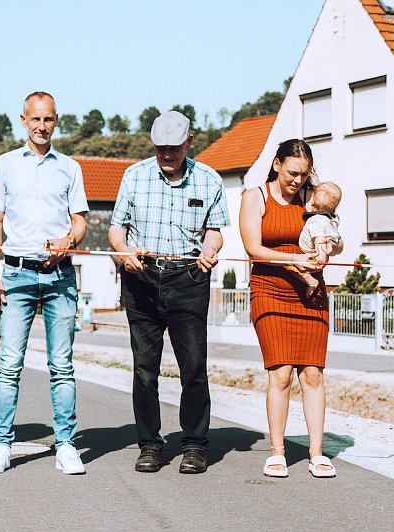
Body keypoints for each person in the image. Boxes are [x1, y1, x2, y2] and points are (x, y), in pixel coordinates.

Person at [108, 110, 229, 474]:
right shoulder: (134, 176)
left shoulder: (209, 180)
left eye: (174, 149)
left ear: (190, 142)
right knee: (145, 369)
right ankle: (149, 444)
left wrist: (211, 249)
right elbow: (117, 230)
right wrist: (124, 252)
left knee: (193, 367)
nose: (167, 155)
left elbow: (216, 230)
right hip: (142, 279)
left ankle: (194, 444)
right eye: (161, 148)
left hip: (188, 279)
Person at [0, 91, 89, 475]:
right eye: (35, 119)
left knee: (62, 365)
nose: (42, 126)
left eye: (49, 120)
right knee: (9, 364)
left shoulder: (70, 167)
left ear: (56, 121)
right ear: (23, 120)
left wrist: (69, 240)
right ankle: (1, 444)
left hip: (60, 275)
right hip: (16, 273)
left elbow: (80, 220)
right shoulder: (5, 165)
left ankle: (66, 445)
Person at [239, 139, 344, 479]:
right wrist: (294, 258)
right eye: (292, 172)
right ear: (276, 164)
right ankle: (277, 451)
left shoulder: (315, 199)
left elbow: (336, 237)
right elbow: (254, 249)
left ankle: (316, 452)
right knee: (281, 373)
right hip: (270, 289)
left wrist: (330, 247)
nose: (298, 180)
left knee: (312, 373)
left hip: (311, 291)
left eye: (304, 174)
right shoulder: (255, 196)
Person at [284, 182, 342, 298]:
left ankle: (310, 281)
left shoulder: (316, 220)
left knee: (290, 267)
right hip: (323, 250)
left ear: (313, 201)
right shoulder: (333, 219)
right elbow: (335, 237)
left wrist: (320, 257)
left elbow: (319, 239)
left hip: (312, 254)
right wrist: (329, 248)